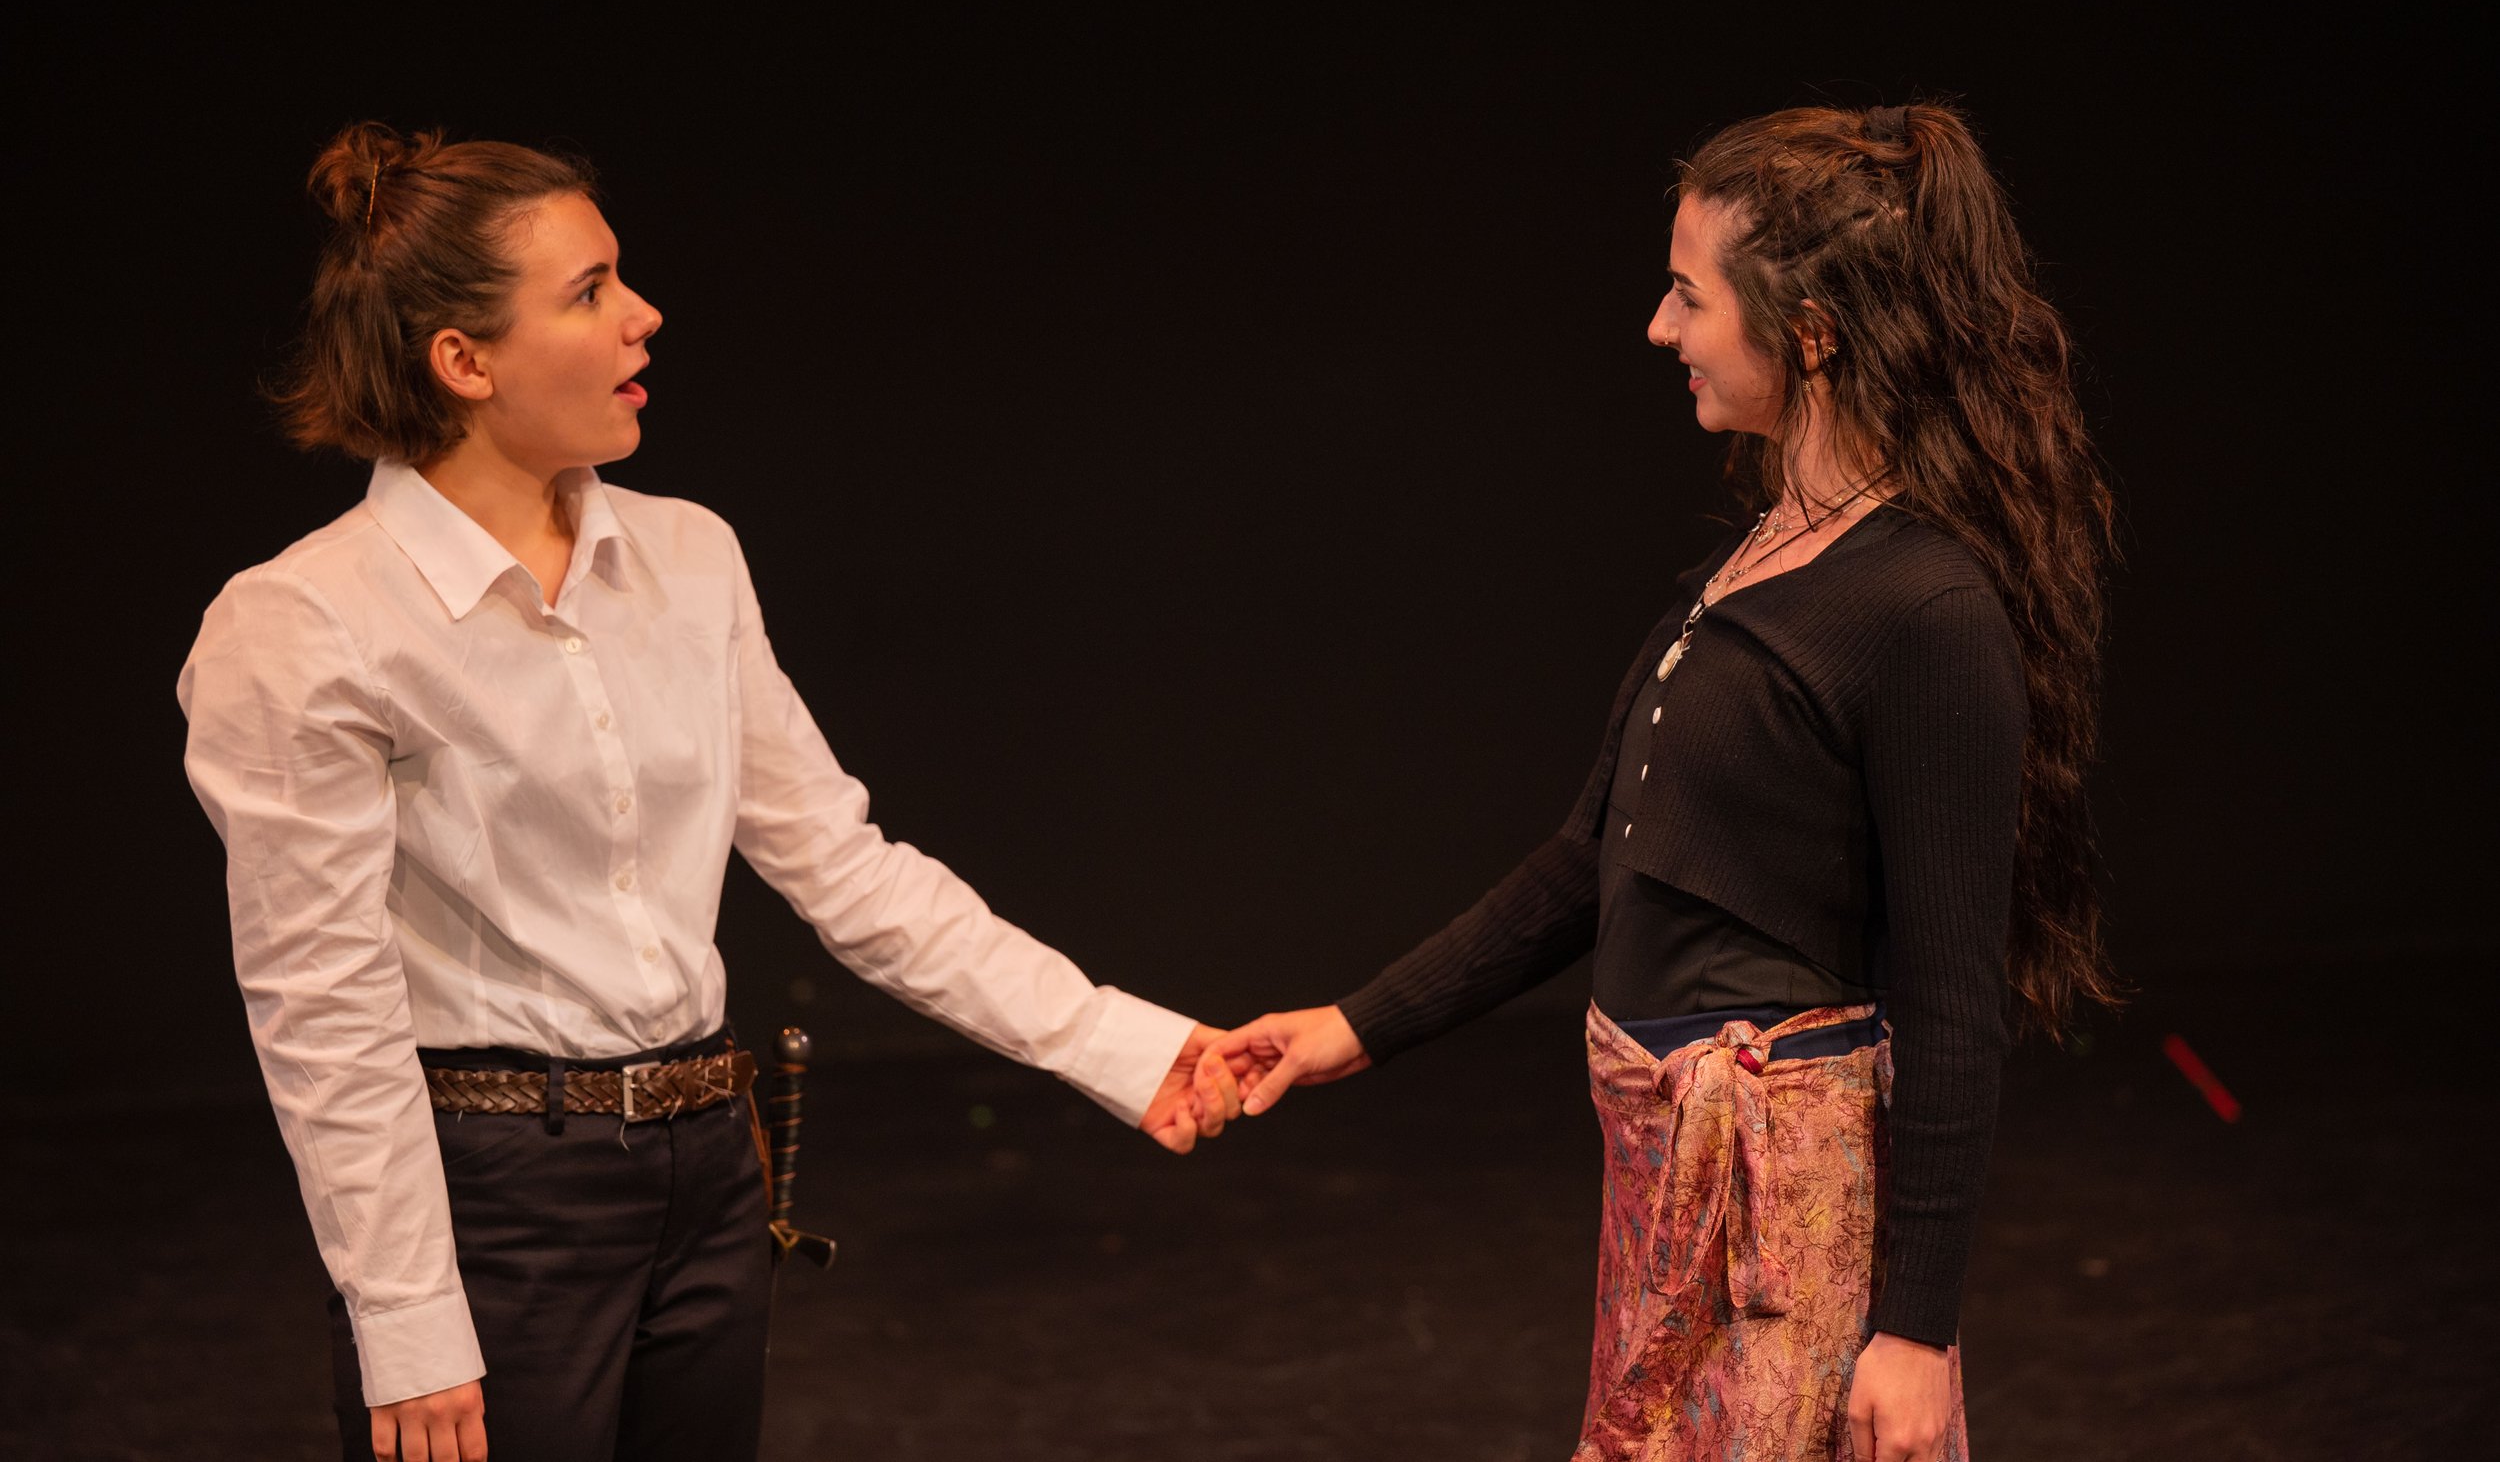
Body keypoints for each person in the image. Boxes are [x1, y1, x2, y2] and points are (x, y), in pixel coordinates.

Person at [178, 122, 1242, 1462]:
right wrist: (405, 1313)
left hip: (709, 1172)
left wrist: (1119, 1047)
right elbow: (321, 1004)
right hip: (497, 1202)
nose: (644, 316)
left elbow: (845, 869)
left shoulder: (688, 558)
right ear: (463, 361)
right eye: (589, 293)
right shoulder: (305, 625)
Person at [1198, 102, 2117, 1461]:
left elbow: (1950, 996)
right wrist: (1353, 1025)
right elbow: (1595, 860)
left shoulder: (1920, 607)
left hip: (1784, 1230)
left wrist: (1914, 1331)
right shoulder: (1757, 560)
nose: (1659, 327)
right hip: (1675, 1205)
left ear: (1806, 331)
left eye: (1690, 295)